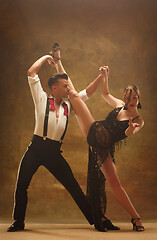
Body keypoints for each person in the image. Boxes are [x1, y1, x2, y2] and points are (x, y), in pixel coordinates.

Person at [7, 44, 105, 232]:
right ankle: (19, 221)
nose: (69, 87)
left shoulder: (70, 103)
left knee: (74, 187)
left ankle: (96, 220)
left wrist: (101, 77)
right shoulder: (42, 99)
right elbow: (31, 72)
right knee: (22, 185)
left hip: (53, 152)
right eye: (65, 85)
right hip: (35, 149)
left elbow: (88, 92)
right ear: (54, 88)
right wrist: (46, 57)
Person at [67, 64, 145, 232]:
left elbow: (132, 131)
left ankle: (136, 218)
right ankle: (59, 66)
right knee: (74, 97)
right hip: (97, 132)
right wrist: (105, 77)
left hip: (105, 145)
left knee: (114, 183)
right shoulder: (119, 104)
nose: (132, 101)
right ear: (125, 97)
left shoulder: (138, 119)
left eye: (135, 98)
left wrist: (130, 128)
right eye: (129, 97)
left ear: (139, 98)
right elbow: (105, 94)